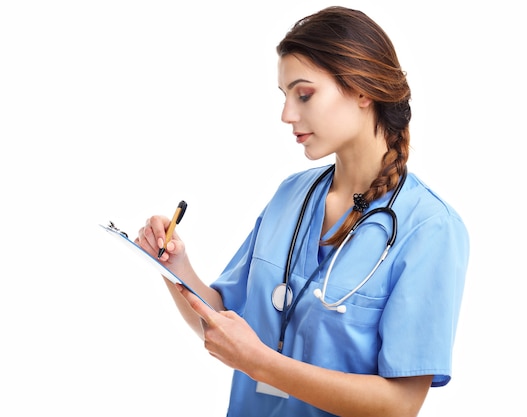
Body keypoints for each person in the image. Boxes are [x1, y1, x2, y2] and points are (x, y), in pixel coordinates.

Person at [136, 6, 469, 417]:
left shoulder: (430, 228)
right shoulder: (290, 196)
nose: (287, 115)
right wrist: (175, 268)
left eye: (304, 94)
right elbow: (225, 326)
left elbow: (399, 405)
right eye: (284, 97)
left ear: (363, 90)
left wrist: (260, 363)